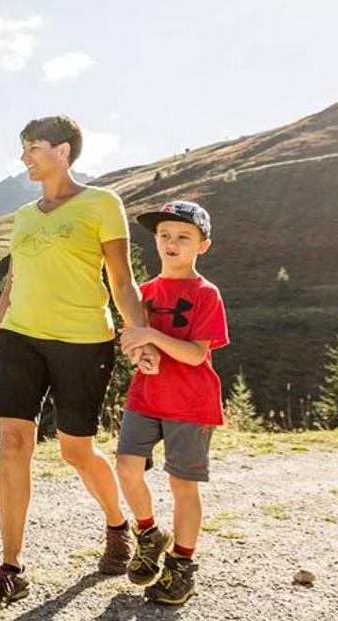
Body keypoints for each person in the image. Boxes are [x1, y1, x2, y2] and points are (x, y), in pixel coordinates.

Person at [0, 116, 159, 612]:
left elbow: (121, 279)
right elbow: (11, 285)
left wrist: (137, 333)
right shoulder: (24, 216)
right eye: (23, 148)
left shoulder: (102, 204)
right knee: (13, 446)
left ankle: (118, 524)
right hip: (20, 340)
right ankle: (11, 568)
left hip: (82, 342)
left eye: (33, 147)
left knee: (77, 450)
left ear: (64, 151)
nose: (24, 156)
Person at [116, 200, 229, 605]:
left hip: (191, 403)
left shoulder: (206, 293)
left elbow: (197, 354)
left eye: (184, 237)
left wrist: (153, 338)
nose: (171, 243)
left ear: (203, 245)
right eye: (164, 235)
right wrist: (140, 352)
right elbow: (133, 342)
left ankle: (182, 566)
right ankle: (149, 533)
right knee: (127, 469)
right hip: (145, 398)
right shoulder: (143, 292)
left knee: (183, 484)